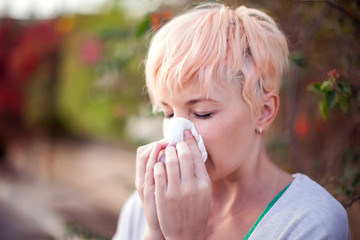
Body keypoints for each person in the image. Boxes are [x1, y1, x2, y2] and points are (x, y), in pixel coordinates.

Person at [113, 3, 350, 240]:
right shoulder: (147, 205)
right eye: (168, 114)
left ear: (263, 111)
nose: (177, 136)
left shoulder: (310, 222)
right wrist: (155, 232)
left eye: (203, 113)